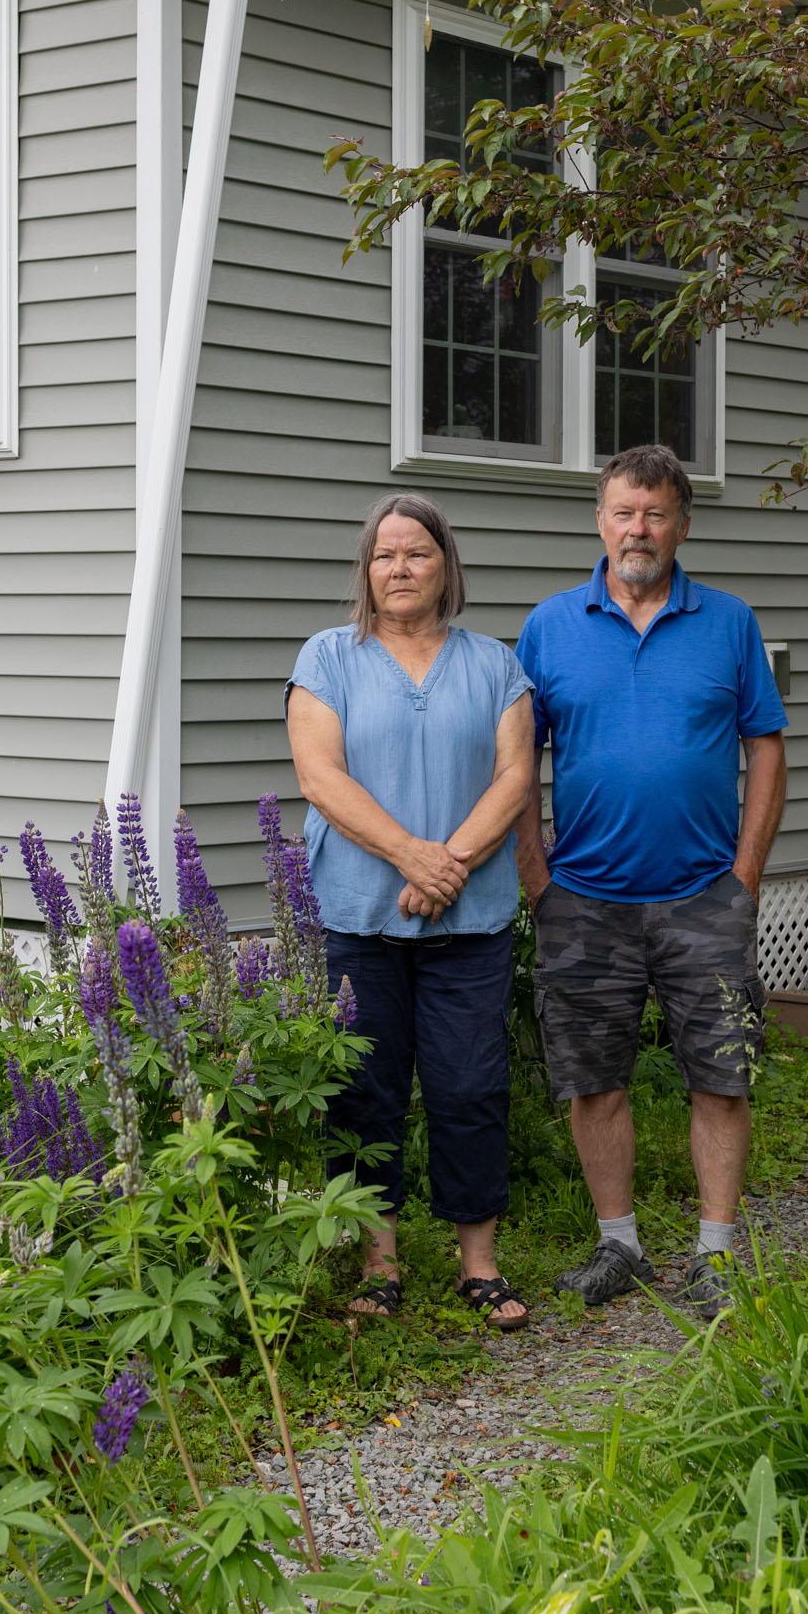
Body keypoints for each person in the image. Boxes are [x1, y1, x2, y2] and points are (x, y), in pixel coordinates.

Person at [517, 443, 788, 1317]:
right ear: (600, 521)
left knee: (721, 1074)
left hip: (705, 893)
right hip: (584, 897)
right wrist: (536, 876)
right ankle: (618, 1244)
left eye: (656, 513)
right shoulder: (551, 625)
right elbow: (518, 758)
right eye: (624, 512)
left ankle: (716, 1254)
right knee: (594, 1078)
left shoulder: (729, 623)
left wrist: (746, 874)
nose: (639, 528)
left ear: (682, 523)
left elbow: (766, 747)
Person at [286, 493, 537, 1331]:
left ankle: (480, 1266)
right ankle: (380, 1266)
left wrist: (448, 864)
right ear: (367, 570)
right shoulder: (327, 658)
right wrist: (412, 855)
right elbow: (321, 776)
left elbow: (514, 780)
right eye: (384, 555)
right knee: (366, 1093)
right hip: (360, 916)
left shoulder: (495, 664)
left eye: (417, 553)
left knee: (471, 1087)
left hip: (469, 920)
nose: (398, 568)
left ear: (445, 566)